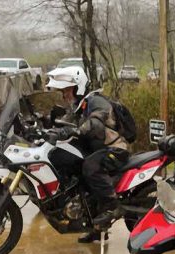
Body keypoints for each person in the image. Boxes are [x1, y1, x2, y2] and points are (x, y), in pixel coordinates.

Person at [45, 66, 131, 243]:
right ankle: (94, 226)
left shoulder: (96, 101)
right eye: (62, 91)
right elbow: (65, 123)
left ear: (78, 87)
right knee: (74, 172)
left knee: (90, 167)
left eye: (66, 90)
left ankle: (112, 207)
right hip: (98, 149)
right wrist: (47, 129)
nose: (64, 95)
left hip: (115, 149)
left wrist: (76, 130)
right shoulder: (79, 106)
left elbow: (95, 123)